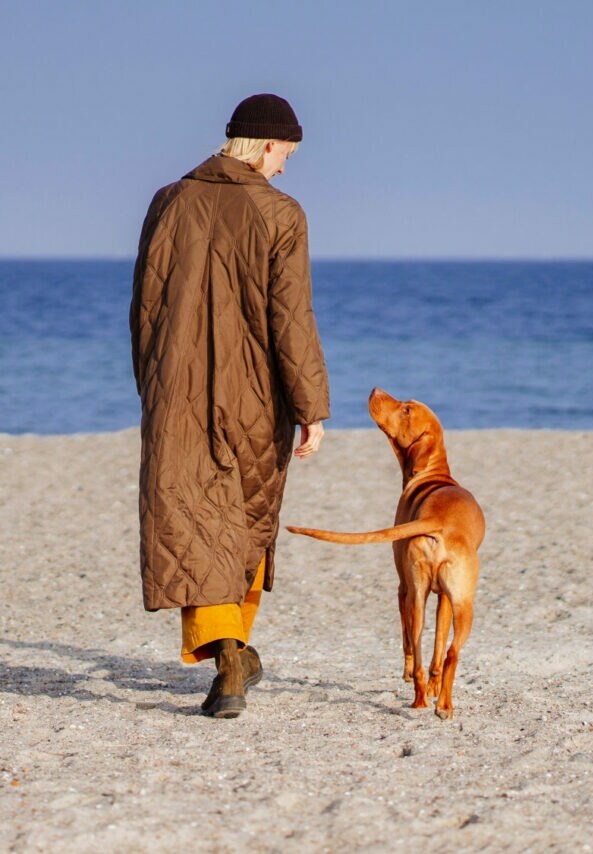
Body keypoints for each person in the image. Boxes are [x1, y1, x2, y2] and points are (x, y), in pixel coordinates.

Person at [129, 93, 330, 719]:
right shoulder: (281, 214)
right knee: (242, 521)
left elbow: (145, 306)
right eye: (286, 154)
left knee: (194, 522)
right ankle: (233, 657)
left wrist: (153, 384)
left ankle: (229, 656)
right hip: (254, 396)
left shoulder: (169, 201)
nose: (285, 168)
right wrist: (311, 406)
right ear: (265, 145)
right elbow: (291, 320)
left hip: (176, 395)